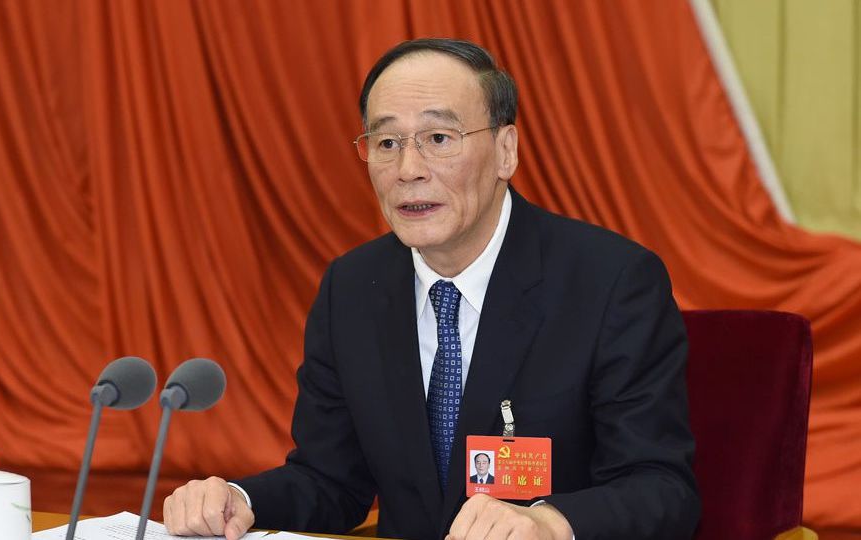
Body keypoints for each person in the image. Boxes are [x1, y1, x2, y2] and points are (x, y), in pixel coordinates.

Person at [163, 38, 700, 540]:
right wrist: (239, 499)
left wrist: (550, 522)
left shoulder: (610, 282)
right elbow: (331, 481)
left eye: (439, 139)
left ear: (506, 150)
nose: (408, 170)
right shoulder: (352, 288)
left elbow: (661, 488)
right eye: (387, 142)